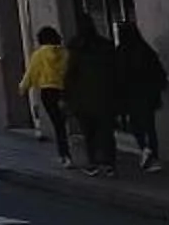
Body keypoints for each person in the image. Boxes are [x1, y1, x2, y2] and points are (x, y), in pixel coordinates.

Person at [63, 22, 120, 176]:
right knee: (106, 132)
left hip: (83, 99)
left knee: (89, 133)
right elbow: (115, 72)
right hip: (105, 97)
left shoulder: (76, 51)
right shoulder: (105, 48)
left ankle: (93, 163)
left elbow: (70, 77)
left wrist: (67, 97)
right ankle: (109, 164)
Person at [114, 20, 169, 172]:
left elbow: (117, 76)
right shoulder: (145, 50)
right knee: (150, 126)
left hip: (130, 95)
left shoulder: (121, 52)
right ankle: (154, 156)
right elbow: (157, 72)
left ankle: (144, 148)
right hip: (147, 94)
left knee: (136, 125)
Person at [19, 25, 73, 163]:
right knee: (64, 121)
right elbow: (70, 71)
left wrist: (23, 87)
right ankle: (68, 148)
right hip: (64, 91)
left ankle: (65, 155)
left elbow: (31, 73)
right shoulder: (65, 53)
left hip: (48, 92)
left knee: (57, 124)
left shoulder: (39, 55)